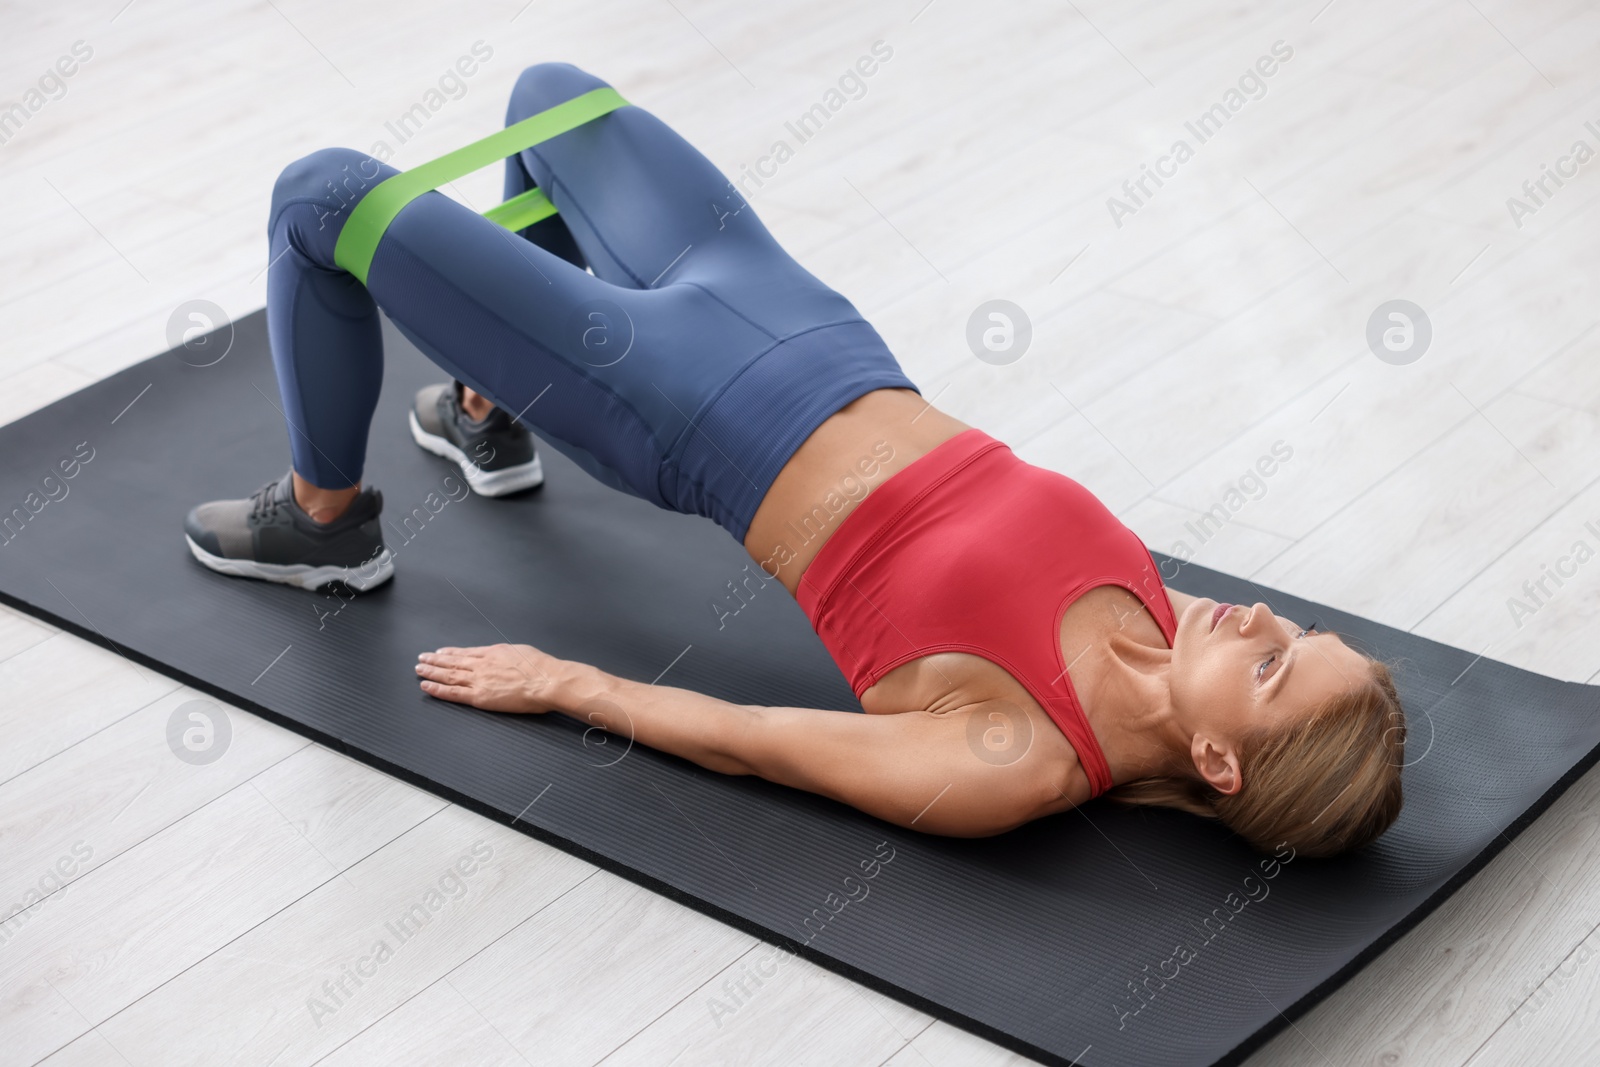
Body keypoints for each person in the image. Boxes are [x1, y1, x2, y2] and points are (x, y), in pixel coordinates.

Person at [184, 62, 1405, 857]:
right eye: (1295, 627)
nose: (1257, 617)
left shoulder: (1018, 759)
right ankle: (486, 410)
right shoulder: (1171, 622)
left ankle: (322, 522)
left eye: (1275, 665)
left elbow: (755, 737)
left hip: (673, 403)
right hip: (799, 314)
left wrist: (565, 682)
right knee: (548, 101)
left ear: (1214, 760)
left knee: (322, 195)